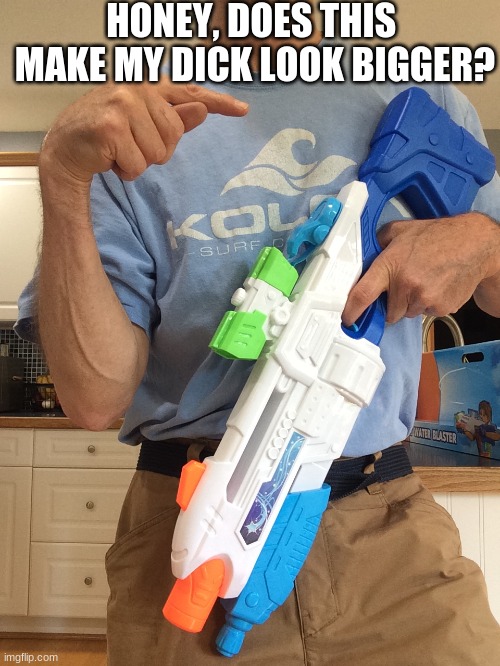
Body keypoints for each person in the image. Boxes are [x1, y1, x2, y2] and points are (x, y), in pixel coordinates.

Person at [16, 2, 500, 664]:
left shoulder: (425, 98)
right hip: (200, 529)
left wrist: (485, 243)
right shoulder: (129, 129)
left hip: (391, 534)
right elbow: (94, 399)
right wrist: (63, 176)